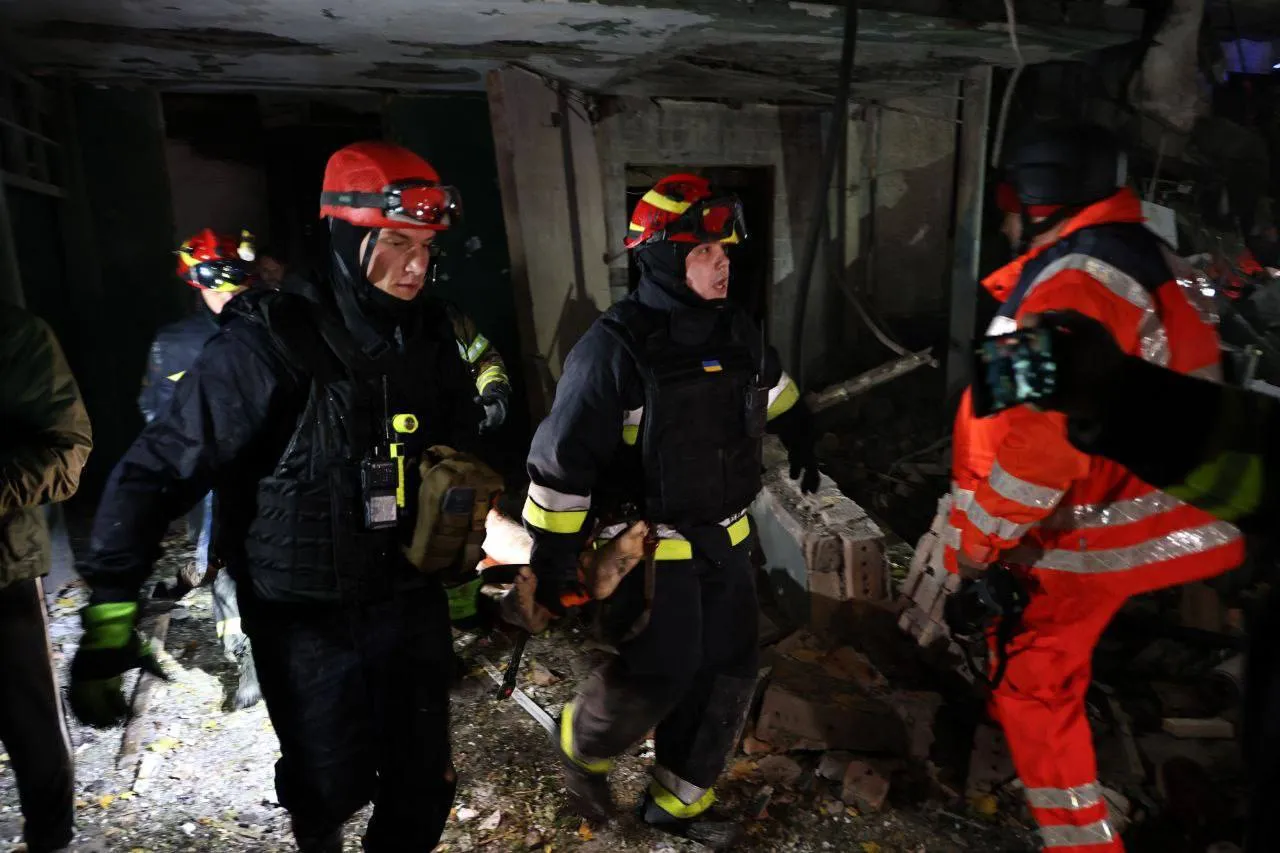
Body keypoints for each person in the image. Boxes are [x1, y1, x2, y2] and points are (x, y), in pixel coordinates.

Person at [70, 140, 482, 852]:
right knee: (328, 786)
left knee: (423, 785)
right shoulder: (267, 343)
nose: (415, 265)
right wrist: (111, 607)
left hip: (407, 602)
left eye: (424, 247)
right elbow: (157, 469)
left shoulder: (432, 335)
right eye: (395, 243)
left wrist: (469, 556)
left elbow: (458, 455)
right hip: (304, 618)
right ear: (347, 237)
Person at [941, 123, 1244, 852]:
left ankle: (1082, 842)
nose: (1004, 221)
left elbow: (1040, 447)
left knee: (1033, 684)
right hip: (1151, 506)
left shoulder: (1072, 282)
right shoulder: (1134, 256)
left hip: (1093, 526)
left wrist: (979, 547)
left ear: (1038, 200)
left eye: (1009, 203)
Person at [523, 173, 818, 848]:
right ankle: (582, 742)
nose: (722, 263)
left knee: (728, 674)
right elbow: (563, 463)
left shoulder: (737, 330)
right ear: (661, 258)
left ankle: (677, 804)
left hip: (728, 538)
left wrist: (803, 428)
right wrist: (555, 557)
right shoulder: (613, 349)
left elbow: (773, 390)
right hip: (652, 546)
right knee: (661, 671)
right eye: (704, 251)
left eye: (724, 249)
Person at [140, 228, 260, 709]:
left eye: (236, 281)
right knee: (222, 557)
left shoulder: (272, 328)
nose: (227, 293)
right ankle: (245, 653)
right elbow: (157, 411)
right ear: (195, 283)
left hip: (273, 468)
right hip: (213, 480)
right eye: (216, 283)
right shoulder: (175, 344)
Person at [0, 303, 93, 853]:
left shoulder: (14, 337)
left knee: (30, 726)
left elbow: (68, 450)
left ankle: (50, 841)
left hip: (2, 572)